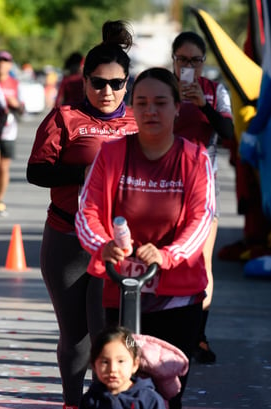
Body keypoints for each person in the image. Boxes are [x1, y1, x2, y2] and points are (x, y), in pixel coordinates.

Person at [75, 67, 216, 409]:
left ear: (177, 107)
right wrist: (103, 245)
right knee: (117, 386)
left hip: (176, 293)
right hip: (119, 286)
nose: (151, 111)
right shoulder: (111, 154)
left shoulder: (195, 158)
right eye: (142, 103)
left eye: (160, 103)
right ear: (132, 108)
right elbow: (87, 211)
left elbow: (202, 218)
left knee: (168, 390)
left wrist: (168, 255)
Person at [26, 20, 138, 409]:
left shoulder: (138, 123)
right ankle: (73, 403)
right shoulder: (64, 118)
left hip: (116, 245)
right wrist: (83, 173)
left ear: (128, 82)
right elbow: (36, 171)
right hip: (67, 240)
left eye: (117, 83)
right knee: (75, 335)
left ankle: (109, 402)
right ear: (85, 80)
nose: (107, 92)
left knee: (107, 333)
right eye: (98, 82)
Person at [171, 31, 234, 364]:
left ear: (204, 62)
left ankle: (199, 336)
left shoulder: (214, 91)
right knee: (165, 256)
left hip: (203, 184)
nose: (189, 67)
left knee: (201, 262)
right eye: (183, 59)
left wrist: (203, 106)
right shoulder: (162, 88)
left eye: (195, 60)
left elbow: (227, 133)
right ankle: (161, 330)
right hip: (163, 182)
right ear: (173, 60)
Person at [79, 326, 166, 409]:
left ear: (135, 365)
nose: (112, 369)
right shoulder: (91, 399)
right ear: (94, 365)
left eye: (120, 361)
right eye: (105, 362)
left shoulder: (149, 400)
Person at [0, 50, 25, 216]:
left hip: (8, 131)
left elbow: (23, 109)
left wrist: (16, 105)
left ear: (10, 64)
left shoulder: (15, 83)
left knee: (3, 168)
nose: (2, 63)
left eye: (5, 61)